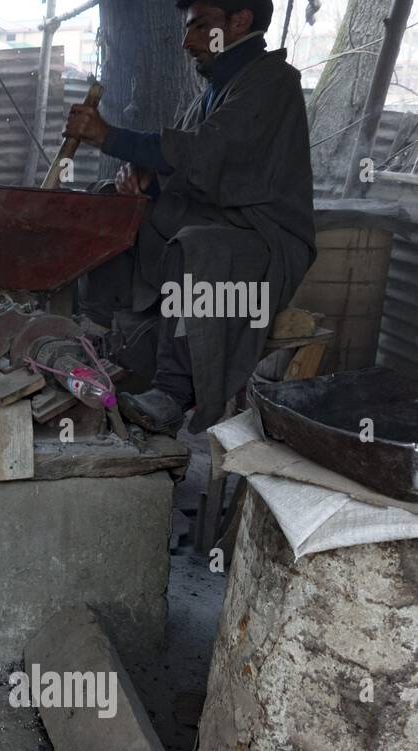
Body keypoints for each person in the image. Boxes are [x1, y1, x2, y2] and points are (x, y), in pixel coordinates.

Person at [64, 0, 316, 436]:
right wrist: (147, 183)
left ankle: (172, 391)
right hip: (216, 220)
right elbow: (190, 173)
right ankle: (103, 339)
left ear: (240, 20)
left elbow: (204, 155)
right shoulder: (215, 92)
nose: (187, 41)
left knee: (198, 246)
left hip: (264, 238)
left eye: (201, 26)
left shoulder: (272, 83)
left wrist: (108, 137)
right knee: (110, 205)